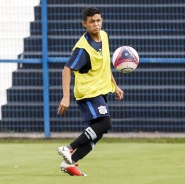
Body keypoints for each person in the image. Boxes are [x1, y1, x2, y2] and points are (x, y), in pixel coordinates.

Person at [56, 7, 124, 176]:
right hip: (87, 93)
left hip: (100, 90)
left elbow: (104, 66)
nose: (96, 24)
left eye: (98, 20)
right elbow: (66, 69)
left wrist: (115, 85)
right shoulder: (83, 48)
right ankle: (68, 148)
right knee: (105, 124)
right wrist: (66, 97)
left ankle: (69, 163)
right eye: (92, 21)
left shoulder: (105, 36)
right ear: (84, 24)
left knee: (98, 132)